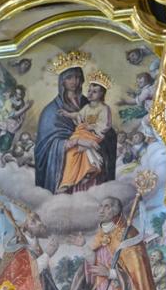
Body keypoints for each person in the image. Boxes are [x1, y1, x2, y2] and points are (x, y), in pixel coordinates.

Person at [35, 56, 116, 194]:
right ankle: (67, 184)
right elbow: (44, 148)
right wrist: (78, 141)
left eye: (78, 77)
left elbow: (107, 131)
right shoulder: (51, 111)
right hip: (67, 165)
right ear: (62, 81)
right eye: (69, 77)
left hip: (94, 174)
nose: (74, 81)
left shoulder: (91, 104)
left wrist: (97, 137)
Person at [57, 76, 113, 193]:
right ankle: (69, 180)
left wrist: (92, 127)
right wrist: (68, 114)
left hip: (94, 135)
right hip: (83, 133)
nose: (90, 93)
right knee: (73, 151)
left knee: (80, 148)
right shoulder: (87, 107)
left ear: (101, 94)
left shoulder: (104, 108)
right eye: (89, 90)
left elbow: (105, 125)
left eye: (94, 92)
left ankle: (89, 170)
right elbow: (78, 116)